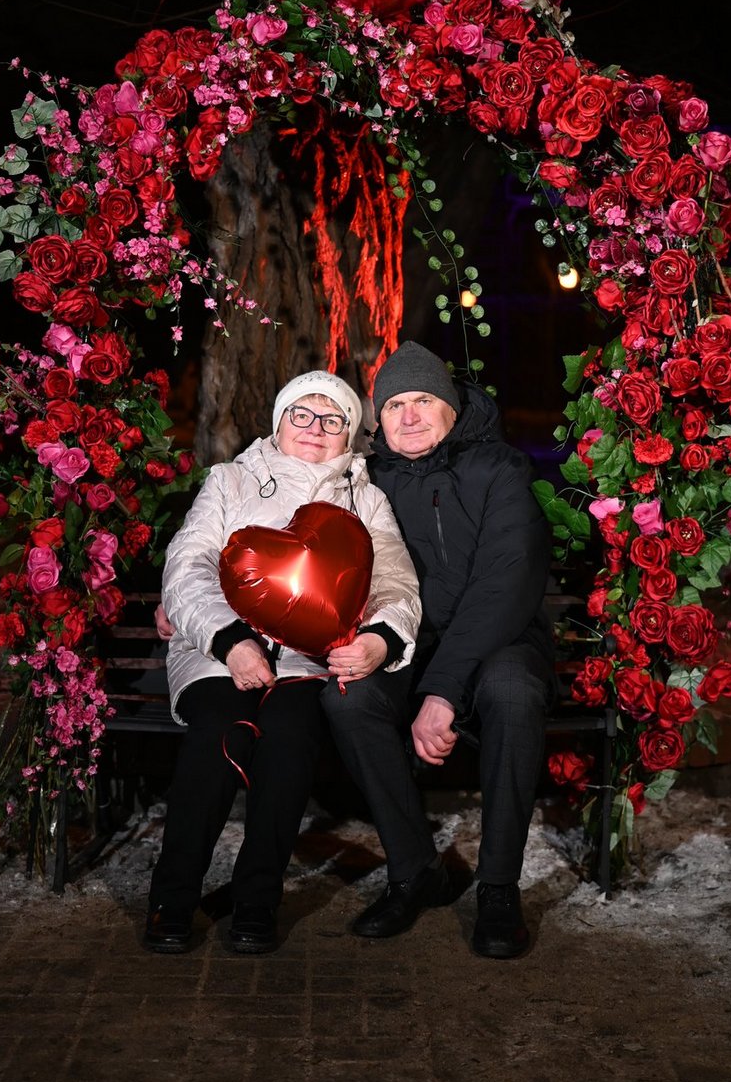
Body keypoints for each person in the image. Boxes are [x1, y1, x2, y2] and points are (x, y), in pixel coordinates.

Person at [144, 370, 421, 956]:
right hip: (218, 649)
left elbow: (396, 583)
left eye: (333, 420)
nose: (315, 430)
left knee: (290, 741)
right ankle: (172, 897)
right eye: (302, 415)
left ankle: (256, 900)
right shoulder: (231, 480)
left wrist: (380, 639)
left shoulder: (365, 500)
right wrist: (229, 640)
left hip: (304, 658)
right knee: (222, 733)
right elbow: (188, 564)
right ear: (279, 422)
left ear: (349, 436)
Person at [321, 341, 555, 960]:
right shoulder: (364, 483)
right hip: (409, 643)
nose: (410, 416)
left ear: (452, 408)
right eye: (394, 405)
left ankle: (499, 888)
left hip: (498, 642)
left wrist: (443, 691)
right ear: (379, 422)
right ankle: (415, 868)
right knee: (349, 700)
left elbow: (503, 585)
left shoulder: (499, 470)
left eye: (424, 400)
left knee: (511, 691)